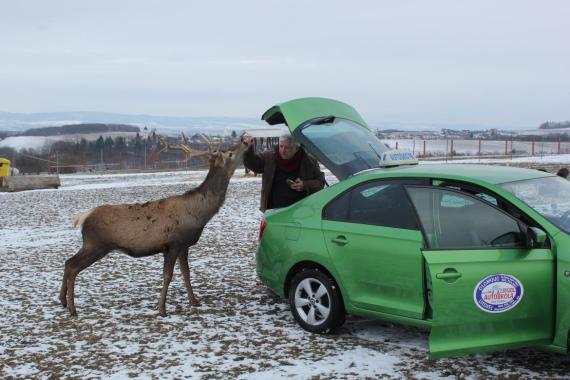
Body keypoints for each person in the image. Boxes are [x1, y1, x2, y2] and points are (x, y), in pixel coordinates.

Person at [243, 133, 325, 211]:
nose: (283, 150)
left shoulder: (309, 161)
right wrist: (249, 149)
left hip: (300, 210)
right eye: (281, 146)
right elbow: (254, 164)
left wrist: (305, 184)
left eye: (287, 148)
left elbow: (321, 182)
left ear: (296, 148)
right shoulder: (269, 157)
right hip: (273, 209)